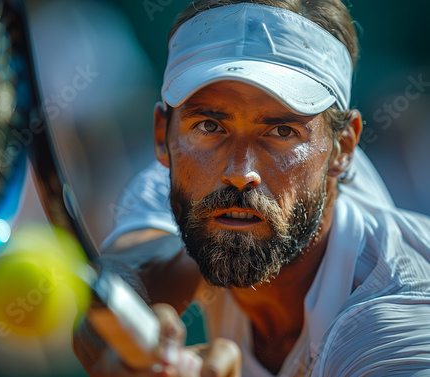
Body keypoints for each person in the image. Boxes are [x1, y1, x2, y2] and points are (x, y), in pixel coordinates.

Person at [73, 1, 430, 376]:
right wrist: (123, 339)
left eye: (281, 132)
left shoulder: (397, 324)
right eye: (209, 126)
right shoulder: (188, 186)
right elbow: (127, 276)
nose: (240, 174)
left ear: (342, 148)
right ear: (163, 137)